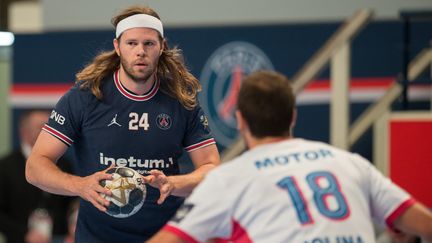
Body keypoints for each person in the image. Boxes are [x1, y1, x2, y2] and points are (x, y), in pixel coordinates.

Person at [148, 71, 432, 243]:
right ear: (293, 116)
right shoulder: (350, 163)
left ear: (240, 120)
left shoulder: (227, 180)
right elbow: (424, 225)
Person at [25, 5, 220, 243]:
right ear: (117, 47)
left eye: (148, 43)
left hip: (164, 236)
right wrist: (80, 185)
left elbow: (212, 169)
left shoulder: (181, 101)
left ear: (162, 47)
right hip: (97, 237)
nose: (140, 51)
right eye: (131, 43)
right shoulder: (85, 97)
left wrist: (174, 183)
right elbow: (35, 167)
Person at [0, 109, 75, 243]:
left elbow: (71, 205)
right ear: (24, 131)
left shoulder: (64, 164)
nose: (48, 132)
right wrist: (24, 234)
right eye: (41, 127)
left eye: (50, 126)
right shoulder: (5, 166)